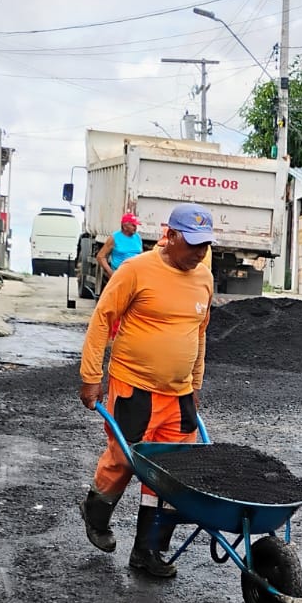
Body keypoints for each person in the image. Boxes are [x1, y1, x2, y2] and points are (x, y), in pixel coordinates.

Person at [78, 204, 215, 579]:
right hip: (133, 387)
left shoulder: (204, 277)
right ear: (168, 235)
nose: (199, 253)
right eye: (192, 244)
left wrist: (196, 383)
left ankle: (148, 551)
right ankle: (96, 511)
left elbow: (199, 334)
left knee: (170, 473)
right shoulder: (135, 270)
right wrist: (91, 375)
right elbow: (102, 319)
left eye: (205, 246)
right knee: (124, 460)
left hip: (180, 394)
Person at [96, 212, 144, 284]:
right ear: (124, 226)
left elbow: (142, 256)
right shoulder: (115, 238)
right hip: (120, 276)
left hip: (136, 276)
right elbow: (100, 256)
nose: (135, 227)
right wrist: (111, 273)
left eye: (136, 225)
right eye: (133, 225)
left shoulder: (137, 237)